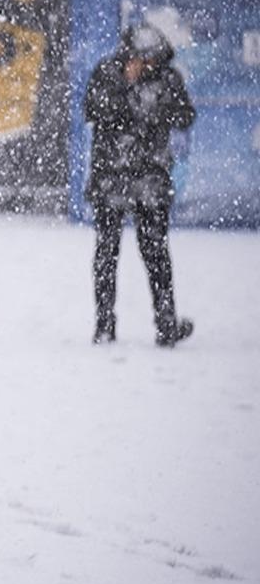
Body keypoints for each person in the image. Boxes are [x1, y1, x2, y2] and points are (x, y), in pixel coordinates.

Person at [84, 25, 196, 346]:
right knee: (107, 252)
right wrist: (127, 87)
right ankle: (104, 324)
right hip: (112, 178)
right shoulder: (107, 73)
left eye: (150, 61)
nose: (144, 66)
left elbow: (185, 115)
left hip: (150, 179)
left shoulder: (168, 79)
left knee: (156, 252)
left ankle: (166, 324)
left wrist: (155, 101)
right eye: (139, 59)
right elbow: (93, 109)